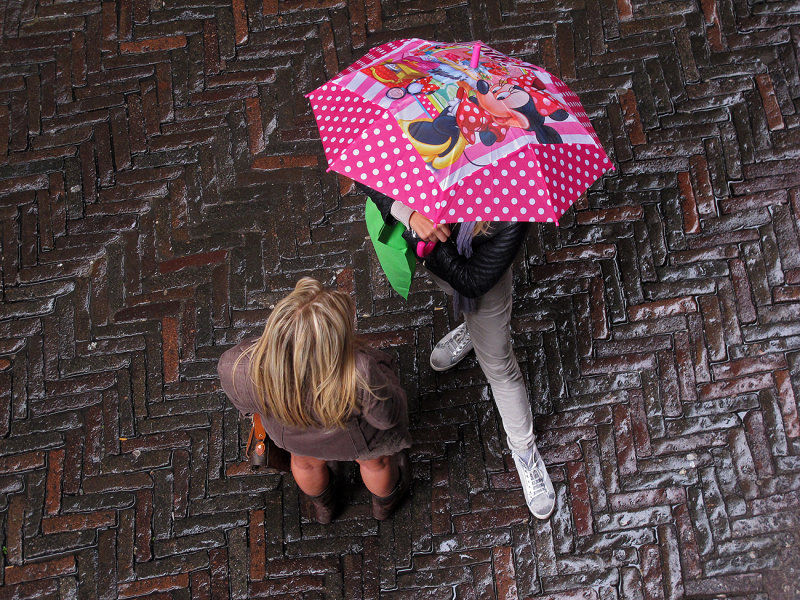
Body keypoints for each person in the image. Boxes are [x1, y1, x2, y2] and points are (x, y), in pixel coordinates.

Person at [356, 181, 555, 520]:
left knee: (500, 367)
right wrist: (411, 213)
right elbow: (369, 176)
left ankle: (525, 451)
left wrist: (429, 242)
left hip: (479, 282)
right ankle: (471, 330)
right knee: (460, 303)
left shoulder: (513, 209)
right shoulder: (425, 146)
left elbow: (472, 281)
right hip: (442, 266)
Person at [217, 277, 411, 524]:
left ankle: (324, 509)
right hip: (356, 439)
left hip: (291, 437)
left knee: (305, 464)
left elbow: (245, 408)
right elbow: (386, 418)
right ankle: (383, 508)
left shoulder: (238, 364)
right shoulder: (358, 370)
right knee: (377, 464)